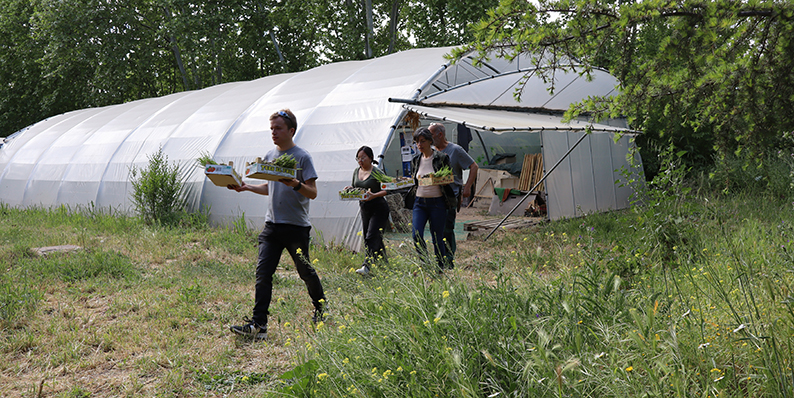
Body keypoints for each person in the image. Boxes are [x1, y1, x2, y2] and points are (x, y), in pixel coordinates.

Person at [227, 109, 326, 340]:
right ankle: (259, 325)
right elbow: (270, 188)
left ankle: (321, 308)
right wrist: (247, 187)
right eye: (271, 128)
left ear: (291, 130)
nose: (274, 132)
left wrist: (295, 184)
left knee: (305, 271)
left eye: (278, 128)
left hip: (296, 227)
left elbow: (312, 193)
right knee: (263, 274)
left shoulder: (302, 157)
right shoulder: (270, 155)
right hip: (271, 226)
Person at [428, 122, 478, 269]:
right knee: (436, 229)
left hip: (451, 196)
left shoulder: (455, 150)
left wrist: (467, 187)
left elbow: (473, 166)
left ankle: (448, 260)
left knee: (447, 229)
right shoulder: (430, 151)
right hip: (434, 195)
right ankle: (440, 258)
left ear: (440, 134)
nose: (428, 139)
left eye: (430, 135)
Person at [407, 127, 456, 271]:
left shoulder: (441, 158)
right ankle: (425, 263)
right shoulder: (416, 160)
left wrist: (435, 180)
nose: (419, 145)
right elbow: (414, 181)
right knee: (416, 234)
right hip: (419, 203)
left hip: (437, 202)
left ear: (430, 141)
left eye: (422, 141)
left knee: (437, 237)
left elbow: (448, 178)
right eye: (417, 142)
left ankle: (440, 267)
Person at [349, 146, 390, 276]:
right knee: (373, 237)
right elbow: (355, 187)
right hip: (364, 208)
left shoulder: (376, 172)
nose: (360, 161)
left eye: (363, 158)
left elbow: (388, 189)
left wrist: (374, 195)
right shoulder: (356, 171)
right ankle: (385, 266)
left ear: (371, 158)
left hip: (379, 207)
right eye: (358, 158)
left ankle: (366, 266)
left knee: (371, 236)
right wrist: (349, 189)